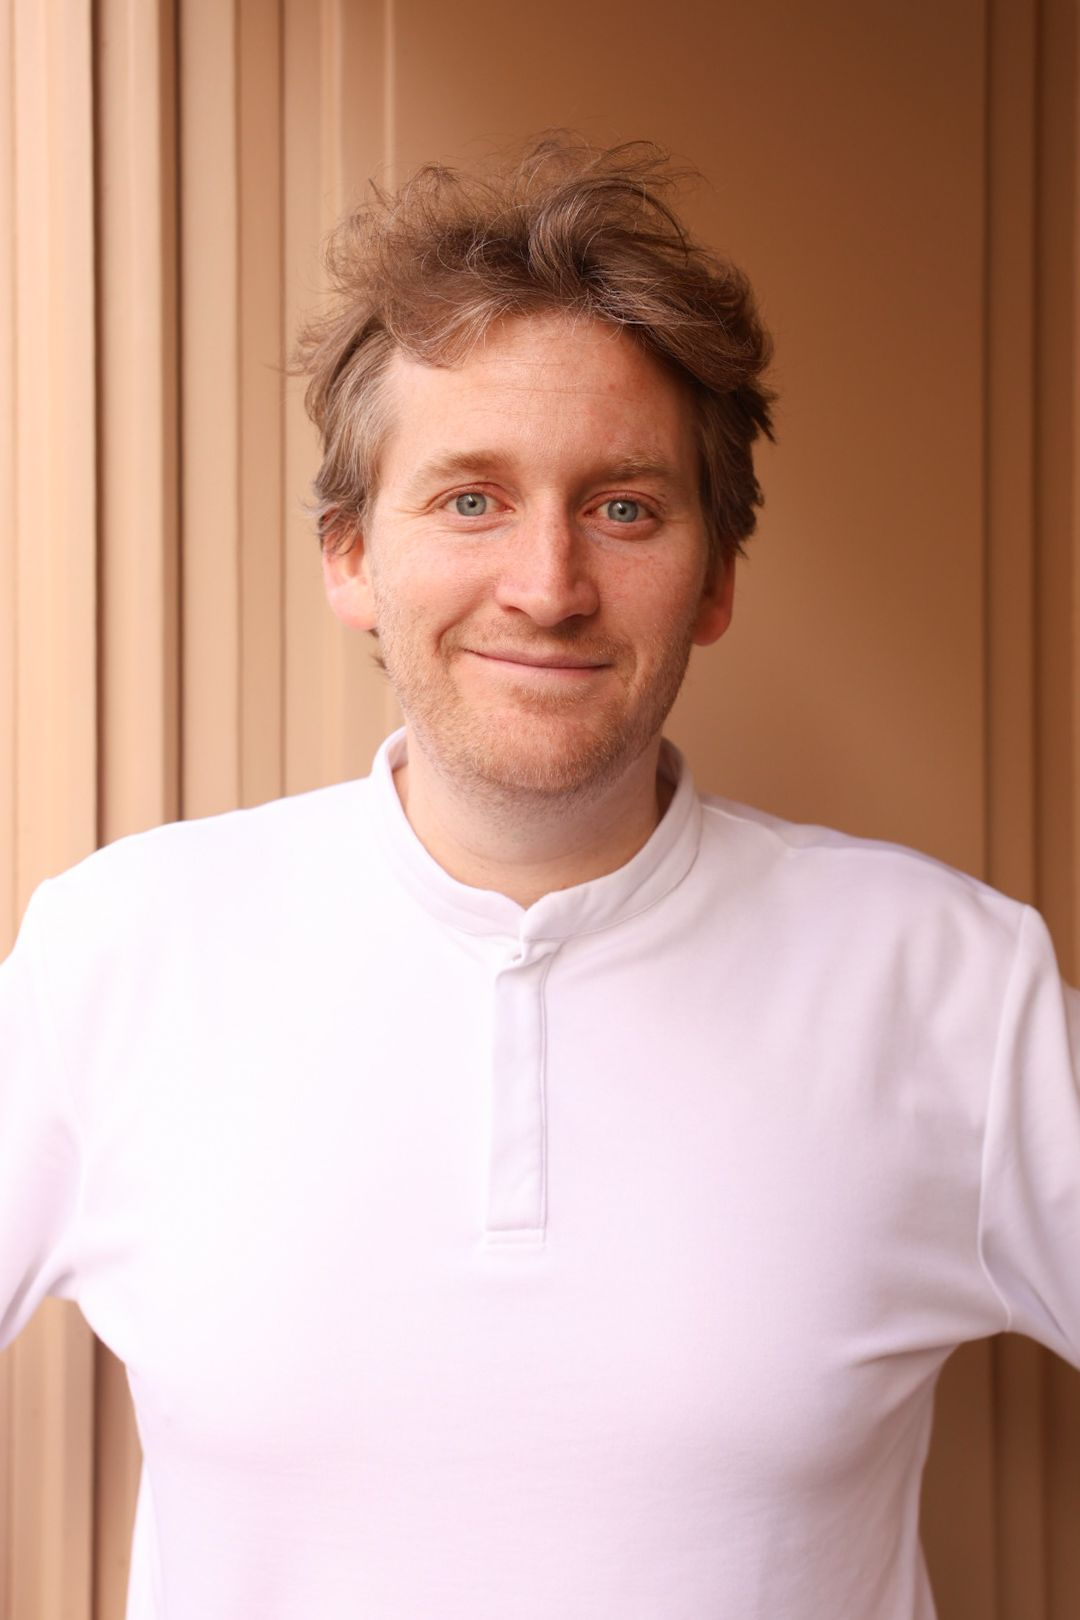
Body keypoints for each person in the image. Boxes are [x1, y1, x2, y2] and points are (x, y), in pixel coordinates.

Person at [1, 135, 1077, 1620]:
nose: (549, 586)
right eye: (471, 501)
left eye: (624, 507)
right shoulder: (117, 952)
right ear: (350, 557)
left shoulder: (951, 978)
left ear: (715, 578)